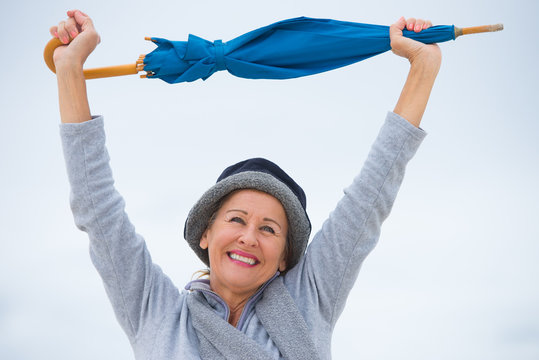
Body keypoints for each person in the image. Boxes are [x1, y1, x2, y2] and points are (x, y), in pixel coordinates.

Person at [51, 10, 441, 360]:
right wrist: (70, 68)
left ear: (286, 257)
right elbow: (97, 209)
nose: (249, 237)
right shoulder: (156, 312)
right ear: (206, 233)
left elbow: (370, 196)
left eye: (269, 229)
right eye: (236, 219)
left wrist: (422, 65)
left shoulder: (311, 299)